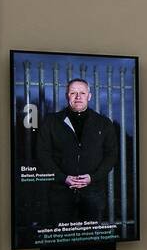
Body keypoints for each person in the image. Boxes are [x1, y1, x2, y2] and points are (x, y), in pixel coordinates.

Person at [36, 77, 119, 228]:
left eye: (82, 92)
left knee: (91, 238)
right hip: (59, 192)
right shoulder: (51, 121)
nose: (78, 97)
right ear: (67, 95)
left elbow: (111, 155)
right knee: (60, 238)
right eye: (73, 93)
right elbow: (42, 154)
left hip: (93, 193)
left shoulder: (104, 123)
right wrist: (63, 178)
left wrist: (92, 177)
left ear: (89, 96)